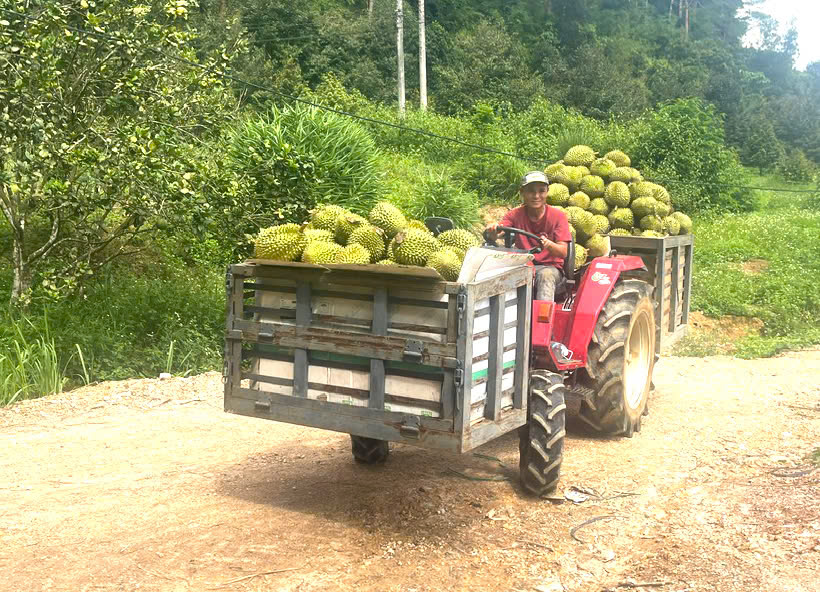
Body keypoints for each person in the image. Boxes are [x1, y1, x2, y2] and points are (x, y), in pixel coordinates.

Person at [485, 171, 571, 301]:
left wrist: (549, 245)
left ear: (547, 192)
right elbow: (500, 230)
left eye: (541, 191)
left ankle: (542, 319)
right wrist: (493, 231)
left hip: (550, 268)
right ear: (522, 192)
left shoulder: (558, 216)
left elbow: (563, 252)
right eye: (531, 191)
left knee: (545, 275)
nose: (536, 196)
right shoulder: (514, 214)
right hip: (523, 265)